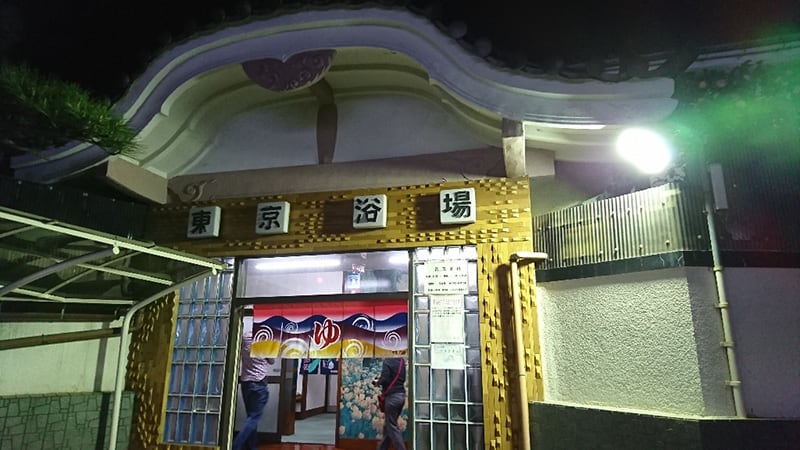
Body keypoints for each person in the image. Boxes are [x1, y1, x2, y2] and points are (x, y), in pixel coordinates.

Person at [233, 331, 275, 450]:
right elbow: (271, 361)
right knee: (254, 418)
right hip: (259, 382)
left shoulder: (244, 337)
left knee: (251, 417)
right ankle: (235, 446)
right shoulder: (265, 338)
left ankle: (252, 447)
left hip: (246, 383)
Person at [373, 357, 406, 450]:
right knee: (388, 425)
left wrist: (377, 382)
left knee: (391, 426)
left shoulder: (387, 361)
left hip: (392, 398)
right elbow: (402, 378)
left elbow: (385, 380)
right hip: (401, 395)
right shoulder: (401, 361)